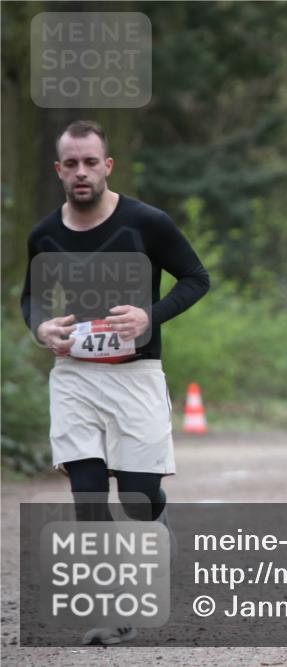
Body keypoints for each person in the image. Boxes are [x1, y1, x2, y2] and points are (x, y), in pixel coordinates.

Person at [20, 120, 210, 645]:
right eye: (71, 164)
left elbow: (196, 278)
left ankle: (156, 527)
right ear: (59, 170)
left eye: (90, 162)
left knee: (138, 497)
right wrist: (41, 326)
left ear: (107, 166)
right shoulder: (45, 234)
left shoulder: (147, 223)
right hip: (75, 375)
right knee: (86, 492)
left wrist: (151, 316)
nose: (81, 173)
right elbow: (30, 296)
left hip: (136, 376)